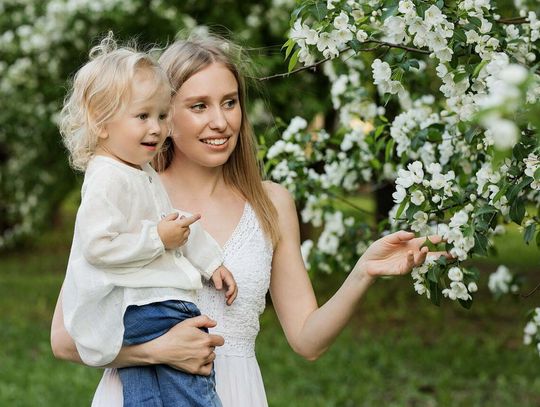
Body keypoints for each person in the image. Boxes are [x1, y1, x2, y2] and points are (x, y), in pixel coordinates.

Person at [51, 33, 447, 407]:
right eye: (198, 106)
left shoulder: (271, 203)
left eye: (230, 102)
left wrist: (364, 271)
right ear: (165, 113)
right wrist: (155, 352)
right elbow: (65, 339)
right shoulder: (129, 190)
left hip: (239, 391)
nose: (221, 122)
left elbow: (308, 341)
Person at [57, 33, 237, 407]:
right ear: (101, 122)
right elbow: (98, 246)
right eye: (142, 116)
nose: (156, 128)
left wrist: (210, 260)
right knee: (192, 377)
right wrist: (157, 238)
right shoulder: (107, 177)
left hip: (136, 310)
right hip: (145, 307)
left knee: (143, 391)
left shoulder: (137, 171)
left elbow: (177, 222)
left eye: (160, 115)